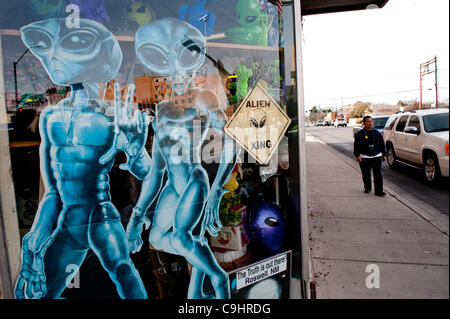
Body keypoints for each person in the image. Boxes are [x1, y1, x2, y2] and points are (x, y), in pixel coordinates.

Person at [15, 18, 150, 299]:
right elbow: (53, 192)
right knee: (40, 294)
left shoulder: (115, 117)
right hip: (69, 220)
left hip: (100, 216)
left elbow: (145, 170)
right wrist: (36, 240)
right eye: (44, 44)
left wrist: (136, 145)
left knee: (124, 272)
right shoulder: (52, 117)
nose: (50, 55)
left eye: (74, 43)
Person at [126, 18, 240, 299]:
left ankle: (219, 279)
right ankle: (198, 285)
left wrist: (215, 192)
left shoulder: (202, 97)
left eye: (185, 55)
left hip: (193, 179)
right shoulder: (163, 109)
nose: (175, 69)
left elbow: (231, 141)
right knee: (156, 239)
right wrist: (138, 216)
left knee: (181, 238)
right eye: (160, 57)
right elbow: (157, 170)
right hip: (172, 186)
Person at [354, 115, 387, 196]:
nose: (370, 123)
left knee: (378, 174)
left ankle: (379, 190)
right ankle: (368, 188)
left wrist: (384, 154)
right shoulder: (360, 134)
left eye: (371, 121)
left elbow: (382, 144)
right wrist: (357, 155)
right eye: (368, 122)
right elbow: (356, 146)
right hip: (364, 157)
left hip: (376, 156)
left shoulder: (377, 133)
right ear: (364, 123)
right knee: (366, 174)